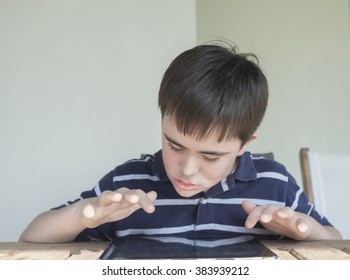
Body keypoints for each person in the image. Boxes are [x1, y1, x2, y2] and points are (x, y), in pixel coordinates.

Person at [19, 43, 342, 243]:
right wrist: (84, 217)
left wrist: (306, 231)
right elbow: (31, 237)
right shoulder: (128, 184)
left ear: (245, 144)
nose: (187, 170)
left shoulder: (275, 184)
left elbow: (334, 239)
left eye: (211, 156)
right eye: (174, 146)